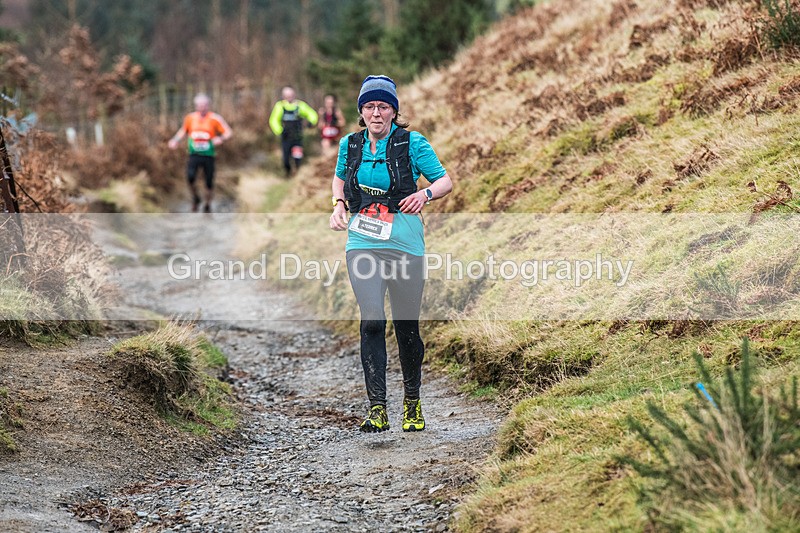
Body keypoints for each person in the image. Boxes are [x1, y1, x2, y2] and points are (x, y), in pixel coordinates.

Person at [329, 75, 453, 433]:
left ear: (394, 111)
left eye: (383, 106)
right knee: (371, 321)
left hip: (405, 246)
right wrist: (339, 204)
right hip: (362, 244)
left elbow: (444, 180)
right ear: (361, 112)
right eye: (369, 107)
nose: (376, 113)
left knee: (406, 327)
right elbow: (340, 179)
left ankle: (412, 403)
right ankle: (378, 408)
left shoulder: (413, 143)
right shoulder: (350, 146)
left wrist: (425, 195)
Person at [168, 93, 232, 212]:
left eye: (204, 105)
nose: (202, 108)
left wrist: (220, 138)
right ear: (196, 106)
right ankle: (196, 198)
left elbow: (228, 132)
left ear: (208, 105)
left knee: (208, 181)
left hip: (208, 155)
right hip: (194, 154)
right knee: (190, 177)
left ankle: (207, 205)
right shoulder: (190, 118)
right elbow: (183, 131)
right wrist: (175, 140)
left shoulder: (215, 118)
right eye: (199, 105)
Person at [269, 86, 318, 177]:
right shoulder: (280, 106)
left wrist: (311, 122)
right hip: (286, 137)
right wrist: (280, 131)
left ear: (294, 95)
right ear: (283, 96)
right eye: (287, 95)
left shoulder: (300, 105)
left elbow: (312, 114)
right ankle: (288, 173)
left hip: (297, 136)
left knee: (297, 157)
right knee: (286, 159)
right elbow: (273, 120)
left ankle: (298, 173)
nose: (289, 97)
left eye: (291, 95)